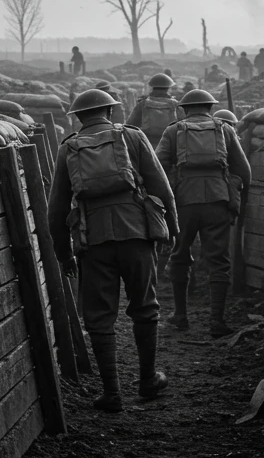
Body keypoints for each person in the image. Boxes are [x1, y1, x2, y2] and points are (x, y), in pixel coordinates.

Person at [47, 88, 179, 412]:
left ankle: (112, 393)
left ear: (77, 117)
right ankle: (148, 380)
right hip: (137, 234)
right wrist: (172, 229)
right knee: (146, 308)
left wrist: (64, 256)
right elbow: (162, 188)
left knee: (99, 317)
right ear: (110, 112)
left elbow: (55, 211)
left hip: (93, 242)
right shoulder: (133, 138)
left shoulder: (68, 149)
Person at [156, 88, 252, 337]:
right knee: (218, 260)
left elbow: (157, 168)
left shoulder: (173, 131)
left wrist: (166, 199)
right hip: (217, 200)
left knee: (179, 255)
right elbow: (244, 170)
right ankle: (216, 322)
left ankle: (180, 316)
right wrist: (240, 197)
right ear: (210, 108)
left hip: (184, 202)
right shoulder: (225, 129)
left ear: (185, 109)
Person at [126, 72, 181, 275]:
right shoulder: (177, 106)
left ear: (151, 87)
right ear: (169, 88)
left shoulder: (142, 105)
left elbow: (129, 127)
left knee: (146, 204)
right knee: (173, 202)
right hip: (170, 162)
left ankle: (150, 247)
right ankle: (170, 247)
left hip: (146, 159)